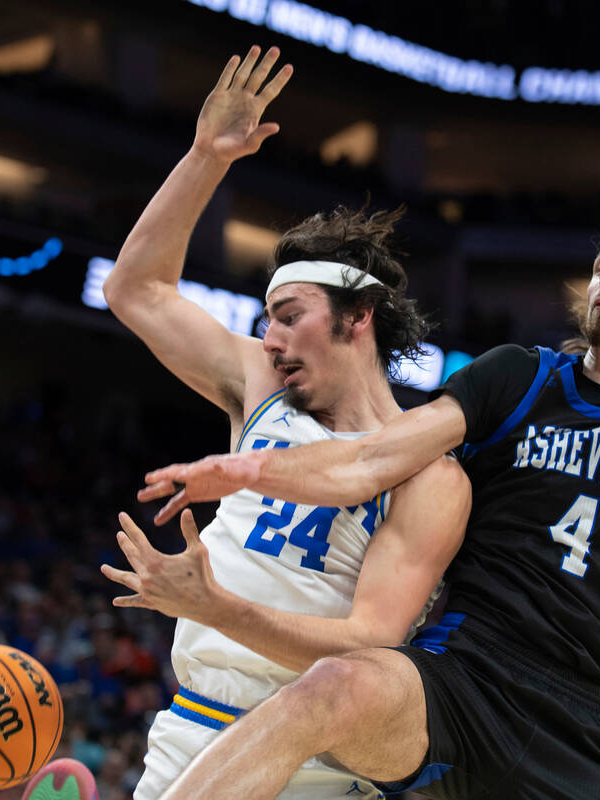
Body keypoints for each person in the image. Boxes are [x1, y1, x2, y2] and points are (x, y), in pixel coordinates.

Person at [138, 186, 600, 796]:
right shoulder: (518, 376)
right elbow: (370, 462)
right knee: (329, 690)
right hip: (463, 677)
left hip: (582, 721)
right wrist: (245, 469)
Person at [98, 45, 469, 800]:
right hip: (195, 729)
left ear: (357, 318)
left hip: (323, 762)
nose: (269, 339)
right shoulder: (263, 387)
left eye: (289, 317)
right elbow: (135, 289)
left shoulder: (429, 471)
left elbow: (371, 641)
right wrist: (207, 156)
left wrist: (216, 608)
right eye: (266, 319)